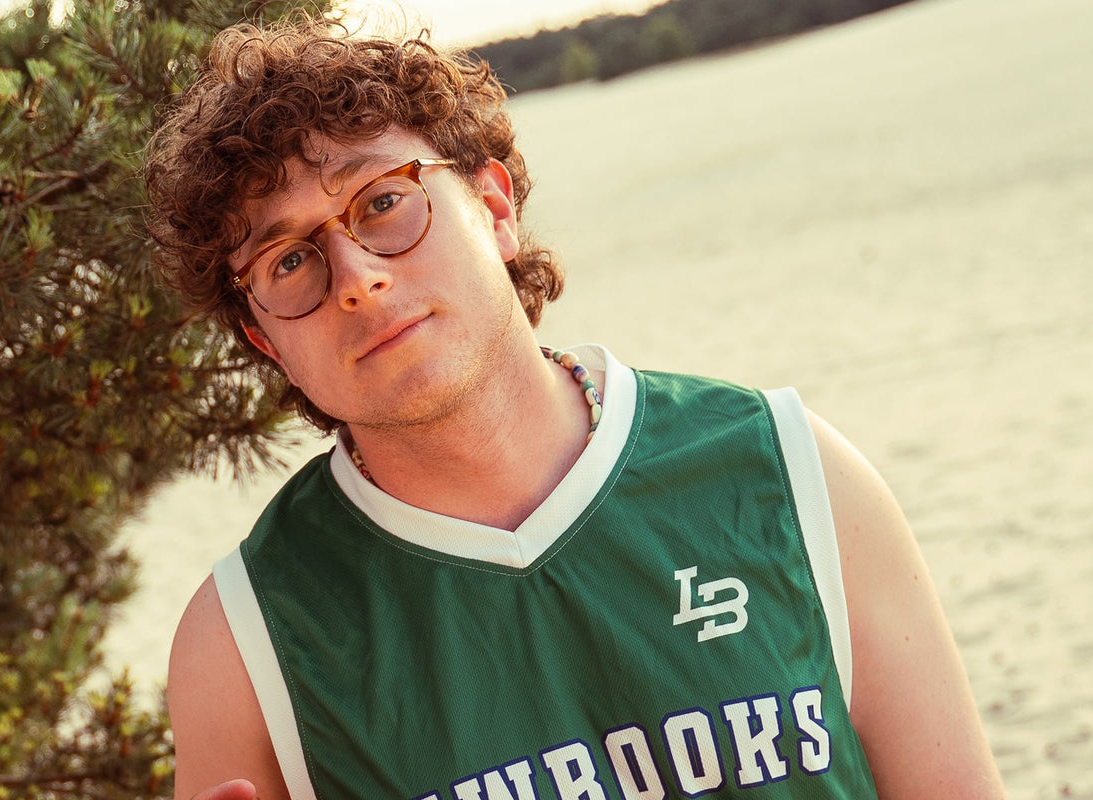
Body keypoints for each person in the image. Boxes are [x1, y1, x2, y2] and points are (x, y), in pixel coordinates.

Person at [145, 20, 1007, 800]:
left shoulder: (790, 473)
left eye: (382, 201)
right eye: (289, 261)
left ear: (493, 209)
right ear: (264, 339)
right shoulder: (246, 646)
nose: (357, 278)